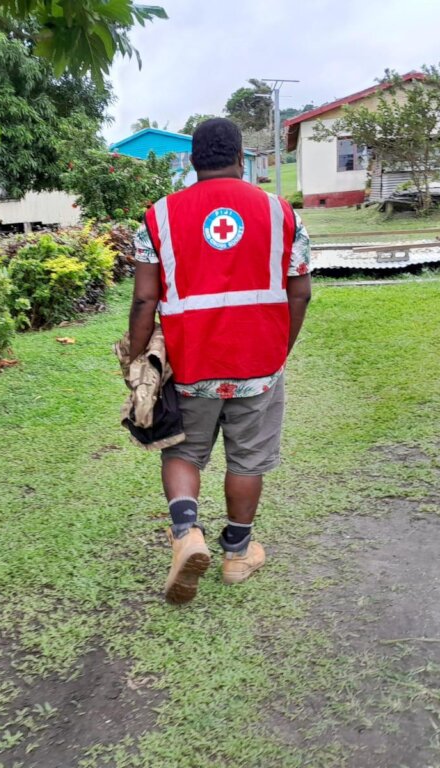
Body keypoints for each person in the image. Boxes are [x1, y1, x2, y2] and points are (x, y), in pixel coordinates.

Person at [128, 118, 312, 605]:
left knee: (183, 452)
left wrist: (136, 357)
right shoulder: (280, 213)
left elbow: (146, 300)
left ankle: (187, 534)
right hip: (258, 363)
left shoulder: (159, 216)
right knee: (248, 458)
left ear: (192, 160)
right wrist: (279, 350)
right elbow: (301, 291)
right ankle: (236, 555)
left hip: (191, 365)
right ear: (239, 159)